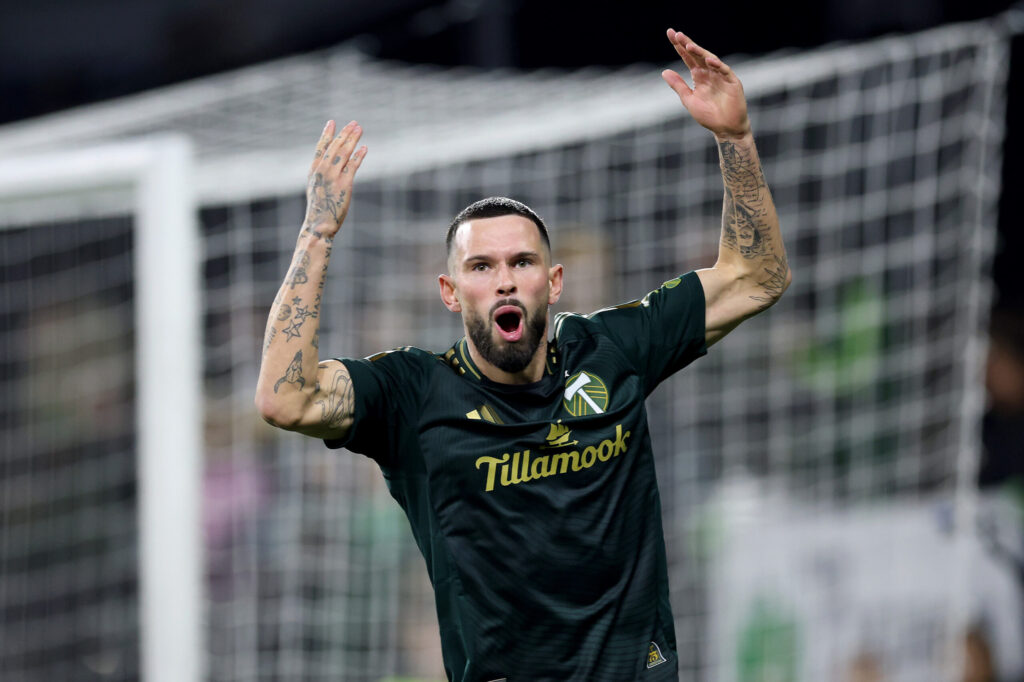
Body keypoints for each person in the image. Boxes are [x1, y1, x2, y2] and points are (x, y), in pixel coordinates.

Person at [256, 28, 790, 682]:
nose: (504, 280)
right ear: (450, 292)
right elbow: (285, 398)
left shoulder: (611, 348)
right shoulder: (414, 394)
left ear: (554, 282)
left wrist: (735, 138)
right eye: (481, 266)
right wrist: (316, 234)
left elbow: (757, 277)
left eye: (522, 262)